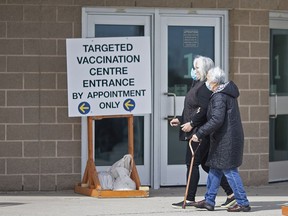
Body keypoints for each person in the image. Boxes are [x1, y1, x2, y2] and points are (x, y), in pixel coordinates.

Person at [170, 56, 235, 208]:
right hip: (196, 130)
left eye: (197, 68)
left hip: (199, 132)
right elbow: (192, 108)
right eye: (194, 67)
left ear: (206, 70)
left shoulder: (205, 87)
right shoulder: (196, 84)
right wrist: (180, 119)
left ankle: (190, 198)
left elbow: (204, 110)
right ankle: (231, 194)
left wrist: (192, 123)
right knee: (207, 165)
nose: (194, 70)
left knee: (192, 164)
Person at [191, 66, 251, 212]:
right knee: (215, 170)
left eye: (208, 79)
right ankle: (209, 200)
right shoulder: (224, 93)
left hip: (226, 140)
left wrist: (199, 133)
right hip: (224, 139)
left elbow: (217, 119)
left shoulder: (219, 96)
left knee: (230, 171)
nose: (207, 82)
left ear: (215, 82)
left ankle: (243, 202)